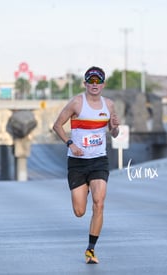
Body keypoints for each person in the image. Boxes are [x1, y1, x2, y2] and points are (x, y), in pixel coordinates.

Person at [53, 66, 120, 264]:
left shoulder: (109, 104)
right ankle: (84, 188)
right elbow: (57, 125)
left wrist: (115, 127)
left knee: (99, 203)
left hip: (99, 160)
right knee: (79, 211)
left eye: (98, 81)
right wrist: (70, 143)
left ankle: (91, 249)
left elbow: (114, 134)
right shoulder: (76, 102)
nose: (94, 85)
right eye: (90, 81)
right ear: (85, 83)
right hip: (77, 162)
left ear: (103, 84)